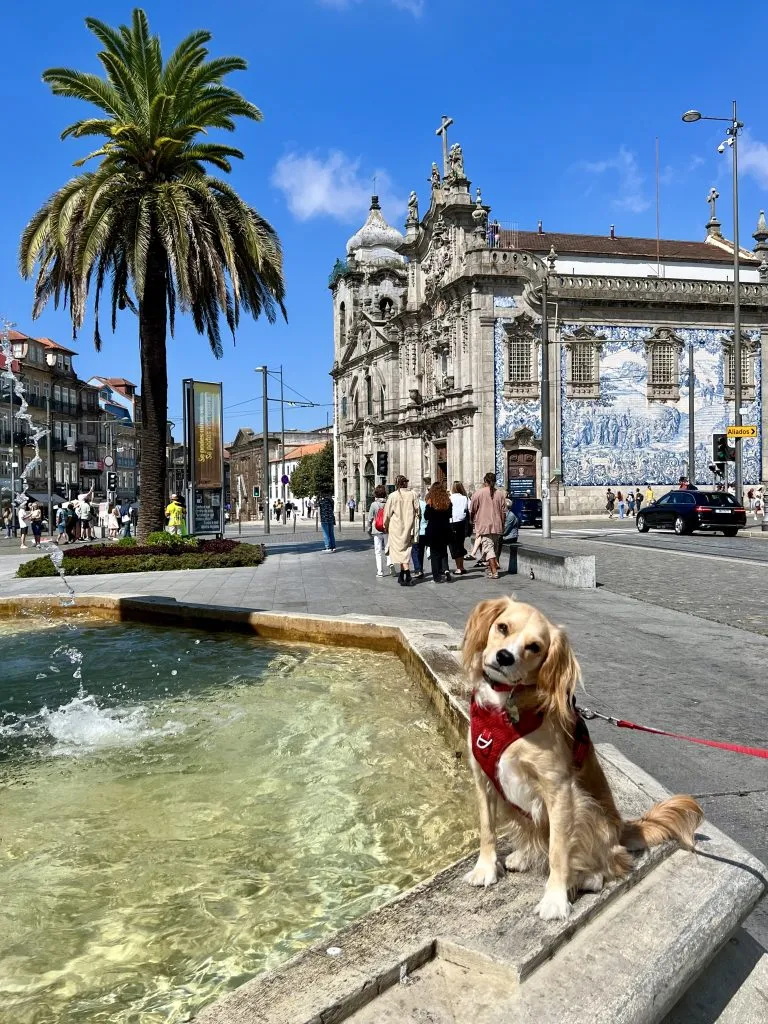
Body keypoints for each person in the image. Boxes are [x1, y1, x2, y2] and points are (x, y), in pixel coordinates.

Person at [383, 474, 419, 586]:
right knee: (406, 550)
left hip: (395, 528)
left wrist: (385, 525)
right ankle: (402, 575)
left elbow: (387, 514)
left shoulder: (393, 496)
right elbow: (418, 511)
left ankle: (407, 574)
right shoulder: (413, 494)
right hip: (409, 527)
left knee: (400, 552)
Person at [469, 472, 506, 580]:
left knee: (488, 549)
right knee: (493, 547)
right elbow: (503, 512)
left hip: (484, 525)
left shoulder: (478, 493)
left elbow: (472, 509)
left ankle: (494, 572)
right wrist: (503, 524)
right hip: (497, 525)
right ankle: (491, 569)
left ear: (485, 481)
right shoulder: (500, 494)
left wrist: (471, 520)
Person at [424, 481, 453, 583]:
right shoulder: (447, 501)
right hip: (445, 529)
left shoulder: (431, 502)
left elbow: (426, 516)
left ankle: (436, 577)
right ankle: (445, 570)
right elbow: (450, 515)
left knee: (434, 554)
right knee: (443, 552)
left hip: (434, 529)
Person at [367, 484, 392, 578]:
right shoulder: (388, 503)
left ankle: (380, 571)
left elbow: (370, 518)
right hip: (386, 529)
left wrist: (369, 529)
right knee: (387, 548)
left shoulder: (374, 504)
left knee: (378, 551)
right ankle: (390, 563)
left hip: (376, 529)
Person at [449, 481, 469, 574]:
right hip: (462, 523)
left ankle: (458, 568)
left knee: (454, 546)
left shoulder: (450, 498)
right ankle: (461, 566)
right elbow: (468, 508)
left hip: (452, 523)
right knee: (460, 544)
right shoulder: (465, 498)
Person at [411, 492, 427, 578]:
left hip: (415, 531)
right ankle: (420, 569)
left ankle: (418, 570)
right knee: (421, 551)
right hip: (424, 531)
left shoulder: (412, 505)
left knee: (414, 550)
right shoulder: (424, 504)